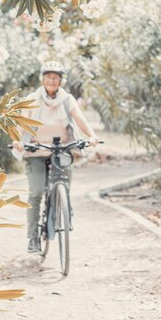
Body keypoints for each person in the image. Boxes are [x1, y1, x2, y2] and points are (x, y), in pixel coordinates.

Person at [13, 61, 100, 253]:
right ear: (42, 79)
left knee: (64, 182)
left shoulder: (67, 100)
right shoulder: (31, 99)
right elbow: (20, 124)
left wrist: (91, 135)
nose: (52, 80)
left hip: (60, 149)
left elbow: (80, 119)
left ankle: (65, 209)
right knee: (36, 192)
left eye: (56, 77)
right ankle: (33, 237)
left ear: (61, 81)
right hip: (35, 150)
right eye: (48, 77)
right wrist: (17, 140)